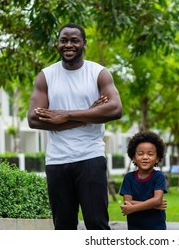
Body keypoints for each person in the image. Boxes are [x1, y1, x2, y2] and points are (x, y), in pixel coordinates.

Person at [27, 23, 122, 230]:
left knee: (97, 224)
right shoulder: (46, 76)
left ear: (84, 44)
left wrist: (66, 115)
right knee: (63, 226)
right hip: (57, 160)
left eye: (74, 40)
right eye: (64, 40)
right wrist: (89, 115)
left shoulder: (98, 73)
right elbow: (33, 120)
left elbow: (115, 109)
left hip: (90, 158)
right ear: (57, 44)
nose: (68, 45)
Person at [119, 130, 168, 230]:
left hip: (156, 228)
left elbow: (157, 200)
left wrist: (133, 208)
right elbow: (127, 202)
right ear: (133, 157)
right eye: (140, 154)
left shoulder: (159, 176)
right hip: (135, 228)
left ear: (157, 158)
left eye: (150, 154)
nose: (145, 157)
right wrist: (153, 205)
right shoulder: (128, 178)